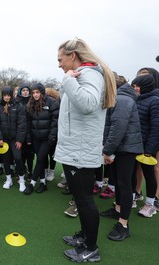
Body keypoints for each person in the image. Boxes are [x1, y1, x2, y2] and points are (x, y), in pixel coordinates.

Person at [55, 38, 117, 262]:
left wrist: (67, 82)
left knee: (84, 200)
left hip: (79, 150)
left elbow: (89, 103)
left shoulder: (89, 73)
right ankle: (84, 236)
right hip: (76, 148)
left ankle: (91, 247)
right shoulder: (83, 74)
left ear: (73, 56)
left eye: (61, 59)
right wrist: (68, 82)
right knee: (80, 198)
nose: (59, 64)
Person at [99, 72, 143, 241]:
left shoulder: (123, 99)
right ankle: (117, 210)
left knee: (124, 185)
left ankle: (123, 224)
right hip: (121, 147)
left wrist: (107, 150)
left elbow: (118, 128)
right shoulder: (119, 97)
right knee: (118, 181)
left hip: (126, 148)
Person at [23, 82, 59, 195]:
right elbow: (28, 123)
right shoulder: (30, 104)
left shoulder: (52, 102)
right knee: (41, 160)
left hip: (47, 139)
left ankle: (32, 183)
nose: (35, 95)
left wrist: (52, 137)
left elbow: (55, 122)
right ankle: (43, 183)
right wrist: (29, 137)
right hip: (35, 138)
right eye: (33, 93)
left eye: (37, 92)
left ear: (42, 92)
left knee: (39, 160)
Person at [131, 74, 159, 217]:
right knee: (132, 172)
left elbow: (156, 128)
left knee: (149, 175)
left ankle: (150, 204)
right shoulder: (136, 99)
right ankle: (132, 198)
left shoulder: (155, 101)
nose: (135, 88)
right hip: (134, 144)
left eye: (138, 86)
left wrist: (149, 149)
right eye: (134, 86)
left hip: (147, 147)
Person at [0, 86, 27, 191]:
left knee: (18, 158)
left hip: (15, 139)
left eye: (8, 95)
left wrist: (20, 140)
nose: (6, 97)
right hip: (3, 139)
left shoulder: (18, 105)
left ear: (11, 95)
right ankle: (8, 179)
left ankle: (21, 180)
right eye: (5, 95)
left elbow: (22, 124)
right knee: (6, 159)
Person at [16, 83, 34, 180]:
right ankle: (20, 172)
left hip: (31, 132)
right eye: (23, 90)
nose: (25, 92)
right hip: (20, 133)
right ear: (20, 91)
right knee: (21, 155)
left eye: (27, 90)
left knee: (30, 155)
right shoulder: (17, 102)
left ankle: (30, 172)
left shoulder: (32, 102)